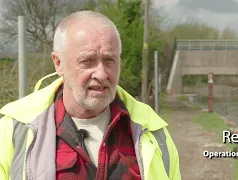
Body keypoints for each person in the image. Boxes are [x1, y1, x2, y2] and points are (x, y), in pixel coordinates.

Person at [0, 10, 181, 180]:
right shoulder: (14, 132)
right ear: (58, 63)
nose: (101, 74)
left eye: (109, 60)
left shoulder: (153, 132)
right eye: (87, 61)